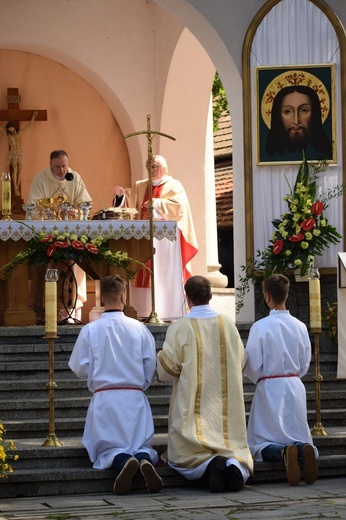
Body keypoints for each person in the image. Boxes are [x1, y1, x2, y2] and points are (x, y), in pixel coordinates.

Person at [156, 275, 253, 493]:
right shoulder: (227, 323)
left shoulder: (179, 327)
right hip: (225, 413)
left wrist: (160, 357)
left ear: (187, 298)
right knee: (233, 450)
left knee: (184, 456)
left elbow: (168, 370)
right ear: (211, 296)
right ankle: (234, 466)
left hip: (192, 409)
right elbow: (242, 360)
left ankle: (209, 466)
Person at [68, 274, 162, 495]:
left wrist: (99, 375)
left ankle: (122, 461)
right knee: (140, 444)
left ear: (101, 298)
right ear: (123, 296)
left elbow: (80, 367)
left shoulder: (90, 330)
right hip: (134, 398)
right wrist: (140, 384)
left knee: (108, 448)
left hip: (105, 398)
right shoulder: (139, 328)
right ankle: (142, 459)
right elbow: (150, 365)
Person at [244, 274, 318, 486]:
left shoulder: (261, 326)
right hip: (294, 385)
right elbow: (305, 362)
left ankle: (285, 452)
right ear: (287, 294)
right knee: (295, 432)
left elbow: (253, 363)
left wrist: (259, 378)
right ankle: (304, 449)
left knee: (261, 441)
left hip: (269, 386)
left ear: (266, 296)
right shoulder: (300, 326)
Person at [113, 155, 198, 321]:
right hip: (141, 239)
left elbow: (179, 207)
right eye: (150, 166)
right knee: (140, 270)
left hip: (164, 243)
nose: (152, 169)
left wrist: (157, 204)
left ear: (165, 168)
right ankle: (142, 311)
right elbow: (127, 203)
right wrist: (121, 196)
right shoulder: (140, 186)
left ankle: (165, 312)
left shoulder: (174, 185)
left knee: (161, 274)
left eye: (156, 166)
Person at [27, 150, 92, 323]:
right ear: (50, 165)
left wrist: (76, 211)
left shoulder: (74, 178)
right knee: (45, 264)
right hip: (47, 235)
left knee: (74, 265)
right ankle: (43, 312)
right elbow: (32, 208)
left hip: (72, 234)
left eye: (64, 166)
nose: (62, 170)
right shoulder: (40, 179)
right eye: (58, 167)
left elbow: (86, 204)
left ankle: (70, 312)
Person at [265, 85, 332, 159]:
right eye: (287, 111)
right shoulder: (271, 156)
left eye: (304, 110)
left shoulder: (324, 155)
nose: (296, 121)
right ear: (277, 116)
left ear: (315, 114)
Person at [0, 111, 38, 196]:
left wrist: (33, 117)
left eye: (12, 129)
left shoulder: (20, 133)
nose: (11, 131)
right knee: (15, 169)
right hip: (13, 153)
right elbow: (1, 129)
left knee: (20, 170)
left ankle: (17, 185)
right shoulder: (9, 135)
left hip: (20, 153)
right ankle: (15, 187)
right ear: (8, 130)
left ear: (14, 128)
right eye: (10, 130)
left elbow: (28, 126)